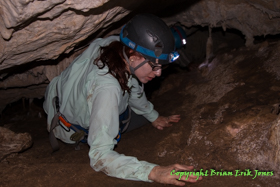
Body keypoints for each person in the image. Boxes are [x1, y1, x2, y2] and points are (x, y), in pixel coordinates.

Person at [43, 13, 202, 186]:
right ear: (133, 57)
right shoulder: (108, 89)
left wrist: (154, 117)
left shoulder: (115, 46)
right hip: (69, 127)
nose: (159, 73)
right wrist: (153, 172)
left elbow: (132, 84)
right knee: (133, 117)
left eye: (161, 66)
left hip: (62, 102)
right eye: (155, 66)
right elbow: (100, 156)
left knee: (143, 112)